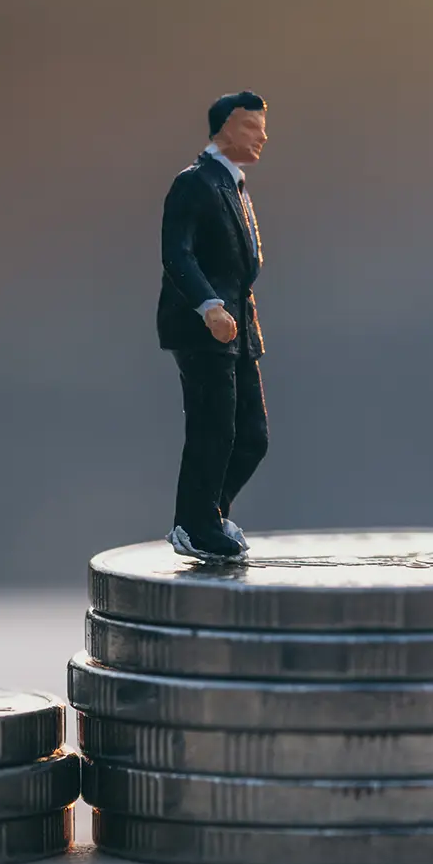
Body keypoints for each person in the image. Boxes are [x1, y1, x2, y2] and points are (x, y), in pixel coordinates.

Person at [156, 90, 271, 561]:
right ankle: (194, 525)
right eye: (251, 126)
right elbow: (176, 253)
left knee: (251, 436)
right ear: (223, 128)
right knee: (212, 430)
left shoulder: (235, 185)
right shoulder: (194, 184)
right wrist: (207, 306)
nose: (262, 135)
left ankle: (210, 515)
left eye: (264, 126)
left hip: (239, 327)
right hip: (204, 327)